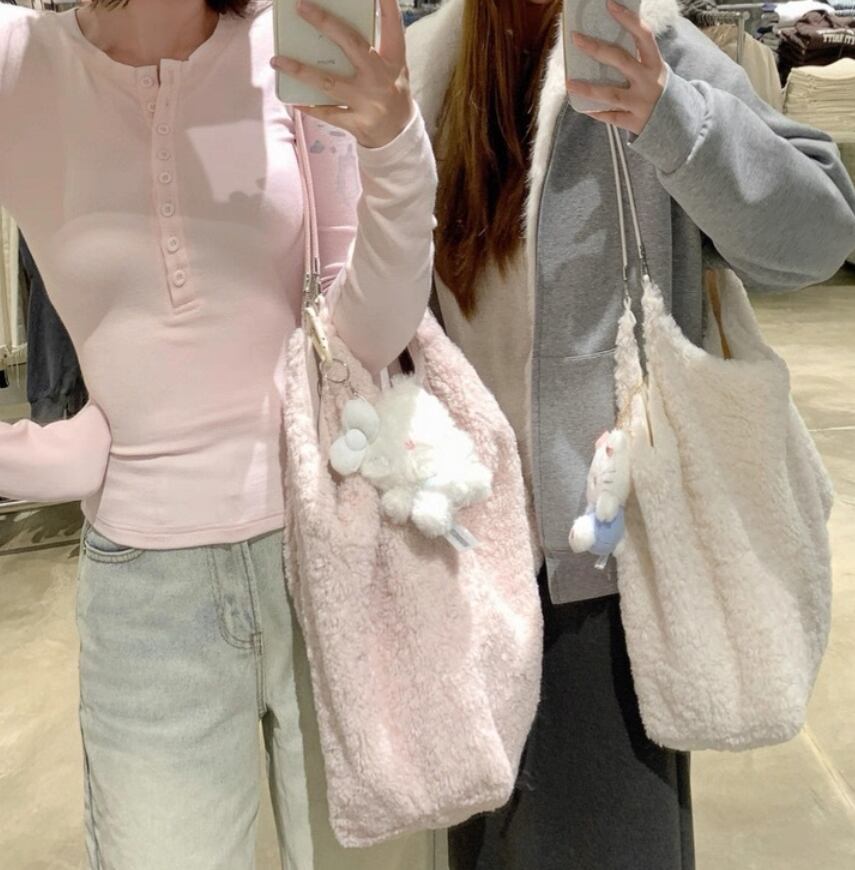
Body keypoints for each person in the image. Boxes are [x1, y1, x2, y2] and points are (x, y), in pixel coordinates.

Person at [406, 0, 855, 867]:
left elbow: (815, 237)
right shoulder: (427, 67)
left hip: (605, 568)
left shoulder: (649, 40)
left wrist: (668, 115)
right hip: (461, 560)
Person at [0, 0, 438, 867]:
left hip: (328, 547)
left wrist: (393, 146)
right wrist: (29, 458)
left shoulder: (287, 42)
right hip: (151, 606)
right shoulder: (20, 63)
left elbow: (367, 334)